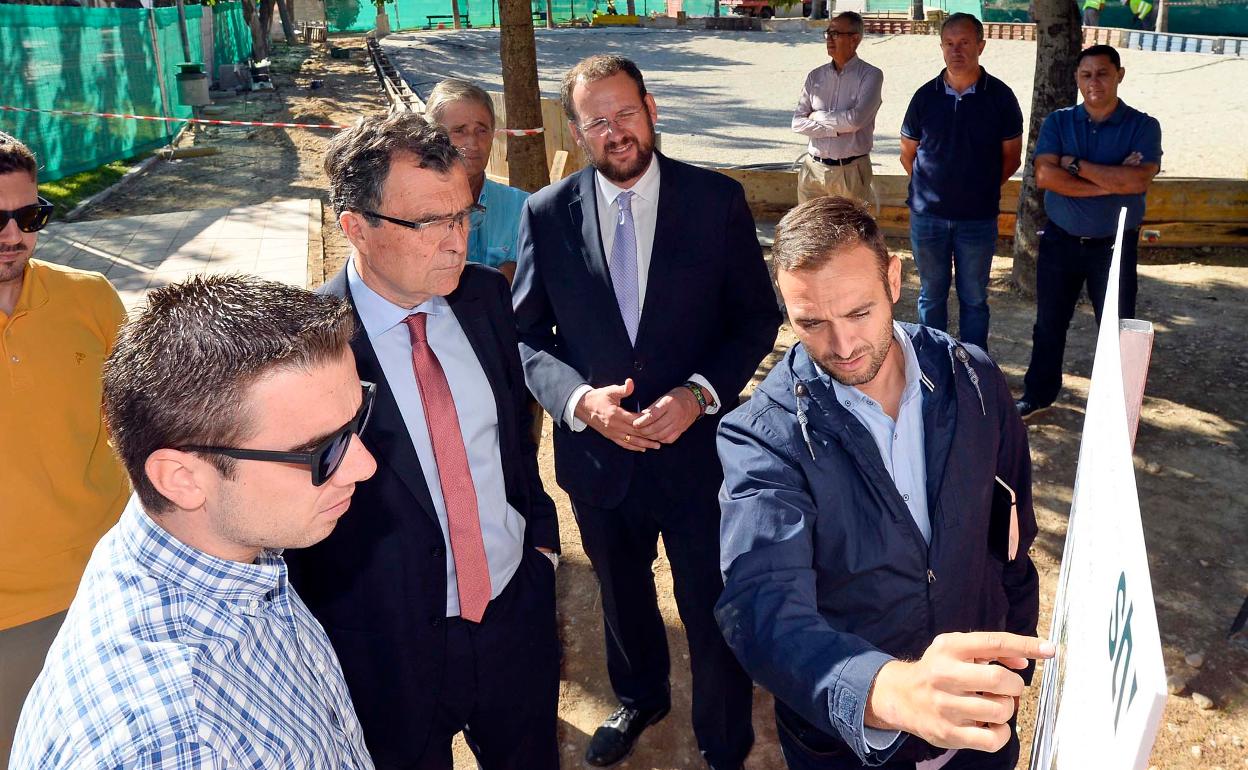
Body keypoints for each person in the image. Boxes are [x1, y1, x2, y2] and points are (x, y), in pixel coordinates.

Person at [715, 196, 1051, 770]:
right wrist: (888, 693)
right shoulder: (762, 438)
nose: (842, 347)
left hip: (978, 728)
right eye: (811, 323)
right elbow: (762, 607)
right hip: (850, 747)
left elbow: (1013, 541)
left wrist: (1010, 666)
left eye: (858, 313)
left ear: (894, 277)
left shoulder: (976, 384)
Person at [514, 55, 781, 769]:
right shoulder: (546, 214)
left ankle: (724, 736)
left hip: (701, 457)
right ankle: (640, 698)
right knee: (622, 594)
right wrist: (578, 401)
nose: (615, 131)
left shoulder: (716, 201)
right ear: (576, 130)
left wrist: (698, 395)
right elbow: (525, 336)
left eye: (625, 112)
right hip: (600, 458)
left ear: (652, 108)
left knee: (710, 601)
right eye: (596, 120)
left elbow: (756, 320)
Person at [10, 274, 378, 768]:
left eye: (357, 420)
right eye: (321, 450)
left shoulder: (216, 544)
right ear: (181, 479)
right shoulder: (174, 740)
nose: (365, 464)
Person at [284, 114, 560, 770]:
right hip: (385, 654)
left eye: (463, 215)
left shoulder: (487, 299)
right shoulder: (304, 353)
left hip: (511, 619)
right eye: (428, 222)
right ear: (355, 225)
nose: (456, 241)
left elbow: (513, 443)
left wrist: (541, 550)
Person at [0, 131, 129, 768]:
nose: (13, 235)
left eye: (30, 217)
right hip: (9, 620)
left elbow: (142, 425)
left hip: (108, 590)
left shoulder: (90, 298)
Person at [1016, 45, 1161, 420]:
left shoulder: (1143, 126)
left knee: (1116, 327)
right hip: (1061, 240)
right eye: (1086, 74)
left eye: (1102, 73)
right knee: (1049, 323)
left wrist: (1075, 165)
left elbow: (1140, 178)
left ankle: (1118, 408)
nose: (1094, 81)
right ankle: (1039, 394)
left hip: (1114, 245)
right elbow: (1046, 176)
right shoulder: (1059, 122)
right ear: (1077, 79)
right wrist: (1113, 180)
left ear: (1119, 74)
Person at [900, 12, 1023, 351]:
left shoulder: (1000, 97)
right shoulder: (925, 96)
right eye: (949, 44)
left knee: (974, 299)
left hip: (978, 219)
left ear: (981, 46)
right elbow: (907, 153)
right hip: (928, 219)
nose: (957, 51)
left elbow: (1012, 157)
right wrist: (934, 188)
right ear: (941, 47)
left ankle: (974, 368)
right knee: (931, 296)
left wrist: (978, 187)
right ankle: (934, 364)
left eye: (964, 43)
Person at [425, 78, 530, 285]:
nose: (472, 143)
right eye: (459, 131)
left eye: (481, 130)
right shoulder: (409, 210)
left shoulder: (523, 207)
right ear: (432, 137)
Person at [792, 11, 883, 209]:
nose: (829, 39)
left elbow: (855, 121)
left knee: (851, 236)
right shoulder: (815, 76)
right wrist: (834, 129)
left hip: (850, 172)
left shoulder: (871, 76)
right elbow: (797, 123)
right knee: (809, 234)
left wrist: (817, 116)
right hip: (812, 170)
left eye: (835, 34)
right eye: (828, 33)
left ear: (854, 39)